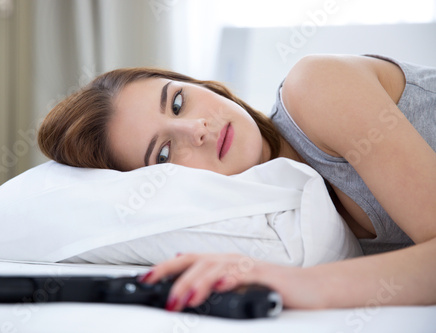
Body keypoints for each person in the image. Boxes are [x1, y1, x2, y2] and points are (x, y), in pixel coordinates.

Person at [38, 54, 436, 311]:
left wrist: (297, 286)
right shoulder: (283, 223)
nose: (197, 128)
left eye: (178, 101)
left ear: (204, 86)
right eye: (163, 153)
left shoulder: (314, 87)